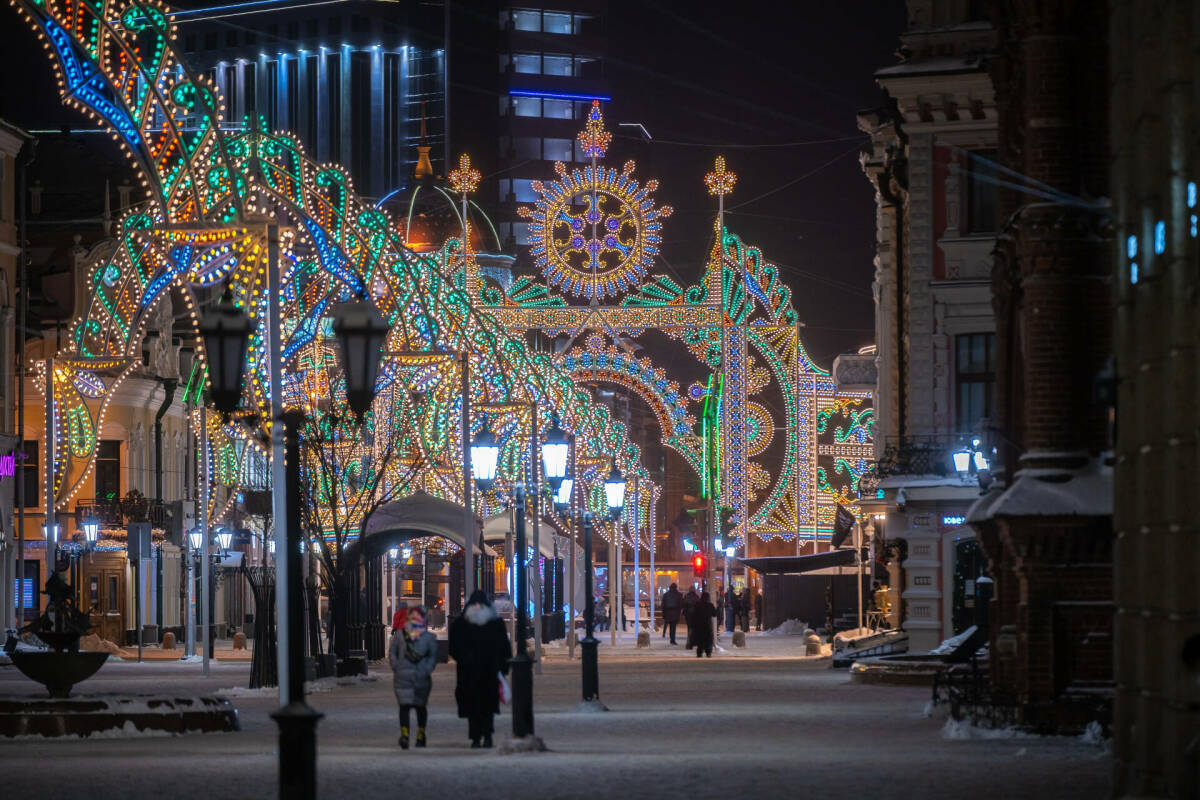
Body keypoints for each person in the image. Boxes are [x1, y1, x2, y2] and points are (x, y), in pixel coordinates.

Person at [448, 590, 512, 748]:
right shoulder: (493, 624)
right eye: (475, 604)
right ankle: (477, 737)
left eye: (479, 604)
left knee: (485, 706)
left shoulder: (463, 624)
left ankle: (485, 736)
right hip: (476, 672)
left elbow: (504, 648)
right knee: (476, 707)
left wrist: (503, 666)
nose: (477, 607)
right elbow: (454, 648)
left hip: (481, 672)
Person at [389, 605, 437, 749]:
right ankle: (421, 736)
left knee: (404, 708)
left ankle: (405, 735)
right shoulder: (429, 638)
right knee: (420, 708)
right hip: (421, 678)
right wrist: (427, 670)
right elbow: (432, 657)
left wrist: (396, 667)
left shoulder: (400, 635)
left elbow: (392, 653)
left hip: (402, 677)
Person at [690, 592, 718, 657]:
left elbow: (693, 615)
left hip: (699, 625)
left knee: (700, 639)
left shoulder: (697, 605)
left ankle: (700, 652)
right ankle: (708, 652)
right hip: (707, 625)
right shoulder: (710, 605)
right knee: (708, 639)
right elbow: (714, 614)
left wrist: (693, 624)